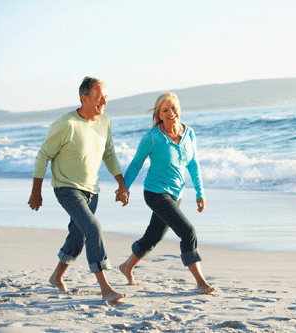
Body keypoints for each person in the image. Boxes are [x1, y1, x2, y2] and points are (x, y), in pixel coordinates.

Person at [28, 77, 129, 303]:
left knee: (78, 234)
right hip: (66, 188)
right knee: (93, 229)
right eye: (98, 96)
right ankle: (105, 288)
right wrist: (36, 191)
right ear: (84, 98)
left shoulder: (105, 122)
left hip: (91, 190)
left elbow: (109, 154)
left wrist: (121, 183)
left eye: (106, 97)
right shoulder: (66, 124)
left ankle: (56, 276)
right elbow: (43, 155)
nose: (104, 101)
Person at [119, 92, 215, 294]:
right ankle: (200, 282)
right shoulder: (152, 137)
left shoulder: (189, 134)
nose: (171, 113)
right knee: (188, 232)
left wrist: (200, 192)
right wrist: (124, 187)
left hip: (176, 195)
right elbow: (136, 163)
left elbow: (193, 164)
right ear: (159, 115)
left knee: (153, 236)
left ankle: (127, 266)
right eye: (165, 110)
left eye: (173, 108)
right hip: (155, 193)